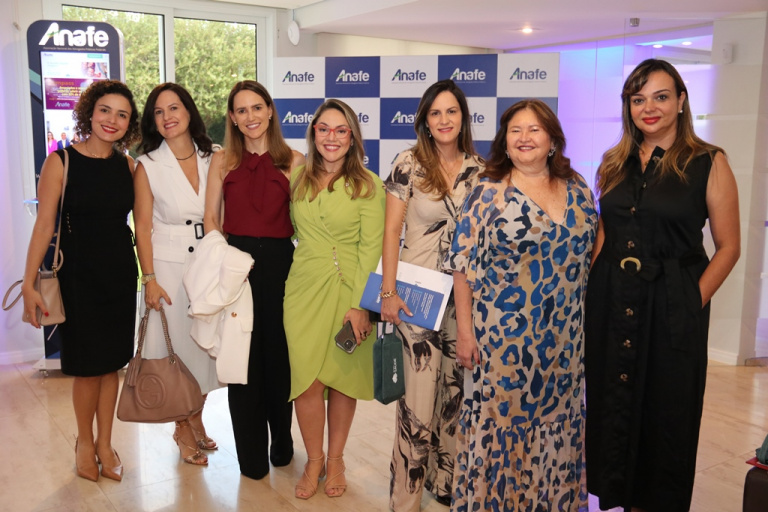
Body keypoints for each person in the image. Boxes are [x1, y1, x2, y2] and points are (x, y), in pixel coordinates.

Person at [584, 59, 740, 512]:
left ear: (681, 101)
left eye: (660, 97)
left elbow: (729, 246)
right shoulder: (614, 162)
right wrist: (591, 295)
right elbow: (605, 233)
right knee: (614, 406)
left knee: (666, 416)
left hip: (672, 304)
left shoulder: (708, 161)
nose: (649, 108)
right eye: (638, 99)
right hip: (613, 302)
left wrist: (691, 301)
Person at [445, 99, 597, 511]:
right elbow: (461, 267)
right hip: (504, 345)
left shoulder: (579, 188)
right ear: (505, 141)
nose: (524, 138)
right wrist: (465, 333)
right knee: (503, 432)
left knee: (558, 430)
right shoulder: (487, 193)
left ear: (552, 139)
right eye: (515, 130)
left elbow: (594, 253)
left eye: (534, 129)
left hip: (564, 344)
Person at [20, 80, 140, 482]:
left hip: (119, 275)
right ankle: (85, 443)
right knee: (88, 368)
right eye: (105, 110)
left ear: (129, 124)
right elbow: (44, 226)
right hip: (78, 278)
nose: (112, 120)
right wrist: (28, 284)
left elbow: (141, 223)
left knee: (112, 366)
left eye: (122, 115)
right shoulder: (61, 162)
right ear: (90, 111)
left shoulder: (128, 166)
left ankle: (106, 443)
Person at [381, 79, 483, 511]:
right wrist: (388, 291)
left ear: (463, 117)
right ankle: (405, 500)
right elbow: (391, 231)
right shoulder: (408, 163)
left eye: (451, 111)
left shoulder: (481, 170)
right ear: (425, 120)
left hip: (463, 302)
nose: (444, 120)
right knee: (418, 405)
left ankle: (445, 485)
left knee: (454, 396)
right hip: (417, 298)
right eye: (435, 113)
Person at [284, 99, 385, 500]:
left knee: (342, 380)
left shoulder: (369, 185)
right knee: (306, 380)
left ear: (352, 137)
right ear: (313, 133)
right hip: (302, 289)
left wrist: (361, 306)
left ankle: (337, 459)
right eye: (324, 128)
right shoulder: (297, 177)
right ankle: (314, 460)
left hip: (350, 290)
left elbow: (372, 248)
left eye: (341, 130)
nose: (332, 137)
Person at [203, 80, 304, 480]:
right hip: (236, 266)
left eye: (257, 107)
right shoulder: (222, 161)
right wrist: (227, 261)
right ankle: (250, 456)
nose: (250, 117)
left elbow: (304, 221)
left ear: (270, 110)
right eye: (241, 110)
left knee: (279, 359)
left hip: (281, 265)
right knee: (241, 361)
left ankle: (282, 443)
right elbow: (211, 218)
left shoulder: (294, 160)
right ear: (232, 117)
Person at [134, 83, 221, 466]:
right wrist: (149, 278)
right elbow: (142, 226)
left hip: (209, 260)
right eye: (158, 111)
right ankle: (182, 427)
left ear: (188, 111)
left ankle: (196, 416)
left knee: (206, 350)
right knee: (176, 351)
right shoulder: (148, 164)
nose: (167, 116)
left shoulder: (214, 155)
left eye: (174, 108)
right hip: (168, 267)